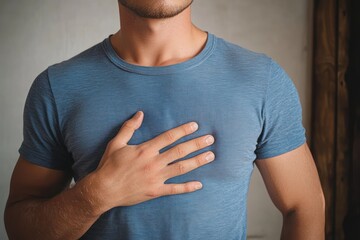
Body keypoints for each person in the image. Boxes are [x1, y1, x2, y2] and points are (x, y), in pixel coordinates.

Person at [4, 0, 325, 239]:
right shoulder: (58, 87)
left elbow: (304, 208)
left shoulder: (261, 79)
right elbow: (20, 225)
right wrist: (96, 195)